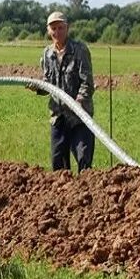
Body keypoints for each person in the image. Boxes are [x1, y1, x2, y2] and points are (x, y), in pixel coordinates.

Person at [37, 11, 95, 172]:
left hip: (79, 117)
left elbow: (87, 82)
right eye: (53, 29)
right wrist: (39, 87)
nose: (57, 32)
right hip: (58, 117)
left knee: (84, 160)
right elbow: (48, 83)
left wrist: (79, 101)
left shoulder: (79, 50)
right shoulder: (47, 54)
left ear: (67, 28)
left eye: (60, 28)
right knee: (59, 165)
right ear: (49, 31)